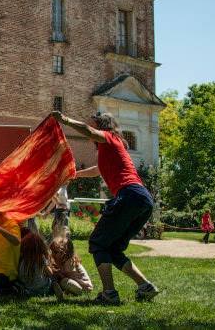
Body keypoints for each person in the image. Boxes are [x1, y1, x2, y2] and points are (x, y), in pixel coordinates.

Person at [53, 110, 159, 304]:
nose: (90, 128)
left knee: (98, 243)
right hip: (142, 199)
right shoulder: (111, 148)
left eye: (93, 125)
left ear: (101, 126)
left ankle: (109, 294)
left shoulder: (109, 138)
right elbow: (97, 171)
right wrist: (73, 175)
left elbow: (88, 131)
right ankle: (146, 286)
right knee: (113, 249)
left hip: (129, 195)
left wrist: (64, 120)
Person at [15, 231, 60, 298]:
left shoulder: (22, 258)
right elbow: (50, 273)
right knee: (50, 280)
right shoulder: (40, 258)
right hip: (43, 289)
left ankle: (24, 291)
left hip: (28, 289)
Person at [49, 233, 93, 297]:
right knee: (62, 281)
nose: (53, 254)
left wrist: (83, 284)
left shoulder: (69, 261)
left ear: (63, 252)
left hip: (84, 285)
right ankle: (67, 291)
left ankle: (76, 291)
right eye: (51, 251)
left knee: (64, 282)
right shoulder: (59, 259)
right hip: (77, 283)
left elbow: (70, 276)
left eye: (55, 252)